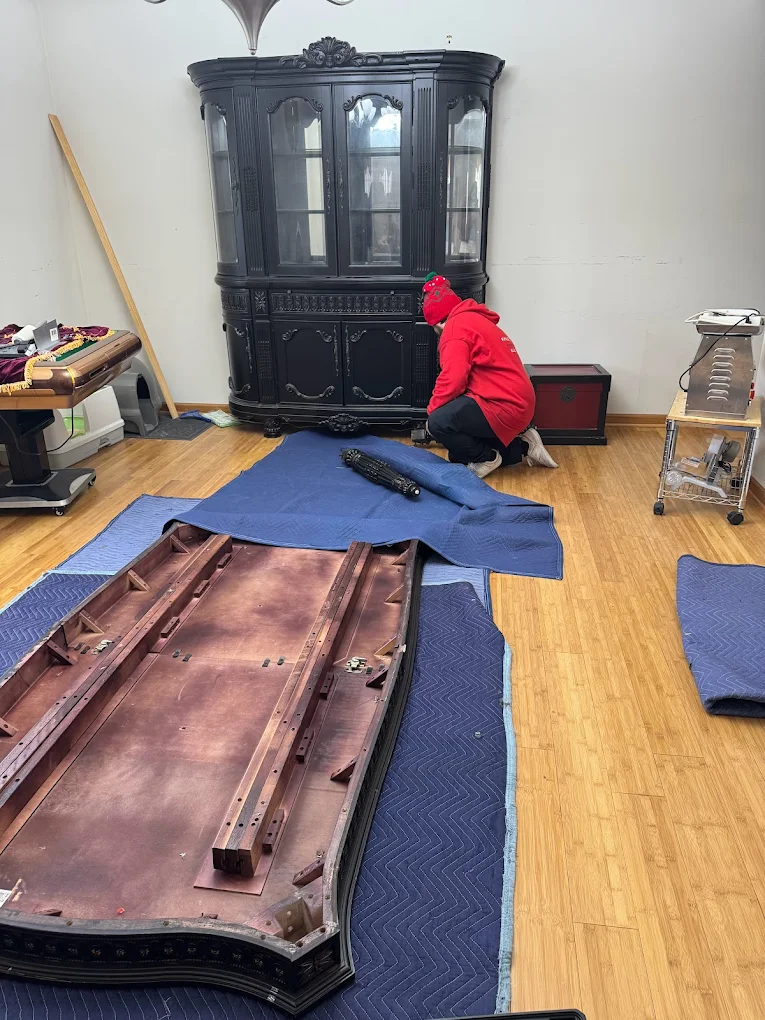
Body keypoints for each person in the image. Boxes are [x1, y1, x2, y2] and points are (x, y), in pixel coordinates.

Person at [422, 273, 558, 478]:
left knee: (438, 424)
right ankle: (524, 446)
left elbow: (453, 379)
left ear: (438, 323)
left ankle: (486, 459)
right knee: (458, 455)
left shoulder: (454, 331)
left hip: (503, 404)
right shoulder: (474, 319)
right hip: (519, 402)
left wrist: (432, 413)